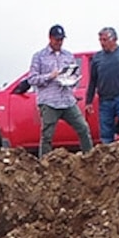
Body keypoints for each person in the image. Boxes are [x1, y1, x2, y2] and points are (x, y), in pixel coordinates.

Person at [25, 24, 93, 155]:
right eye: (57, 39)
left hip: (67, 100)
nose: (59, 42)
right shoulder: (39, 56)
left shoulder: (68, 55)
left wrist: (72, 79)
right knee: (47, 135)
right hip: (49, 102)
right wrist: (50, 76)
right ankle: (44, 162)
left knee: (83, 128)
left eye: (61, 39)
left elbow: (75, 73)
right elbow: (32, 79)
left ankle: (89, 156)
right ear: (50, 38)